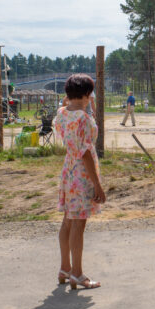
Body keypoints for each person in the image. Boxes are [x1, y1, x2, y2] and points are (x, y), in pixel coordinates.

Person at [53, 74, 106, 290]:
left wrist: (74, 102)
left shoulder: (62, 114)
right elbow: (85, 153)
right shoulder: (83, 118)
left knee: (68, 219)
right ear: (86, 94)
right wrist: (98, 185)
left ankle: (65, 267)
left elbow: (64, 110)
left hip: (68, 168)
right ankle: (77, 273)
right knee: (78, 223)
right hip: (82, 173)